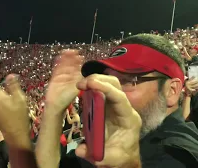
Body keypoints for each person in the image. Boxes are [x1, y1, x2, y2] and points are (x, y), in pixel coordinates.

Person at [58, 34, 198, 167]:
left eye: (128, 81)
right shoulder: (117, 134)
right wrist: (54, 112)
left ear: (171, 91)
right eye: (108, 80)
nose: (110, 92)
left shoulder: (179, 154)